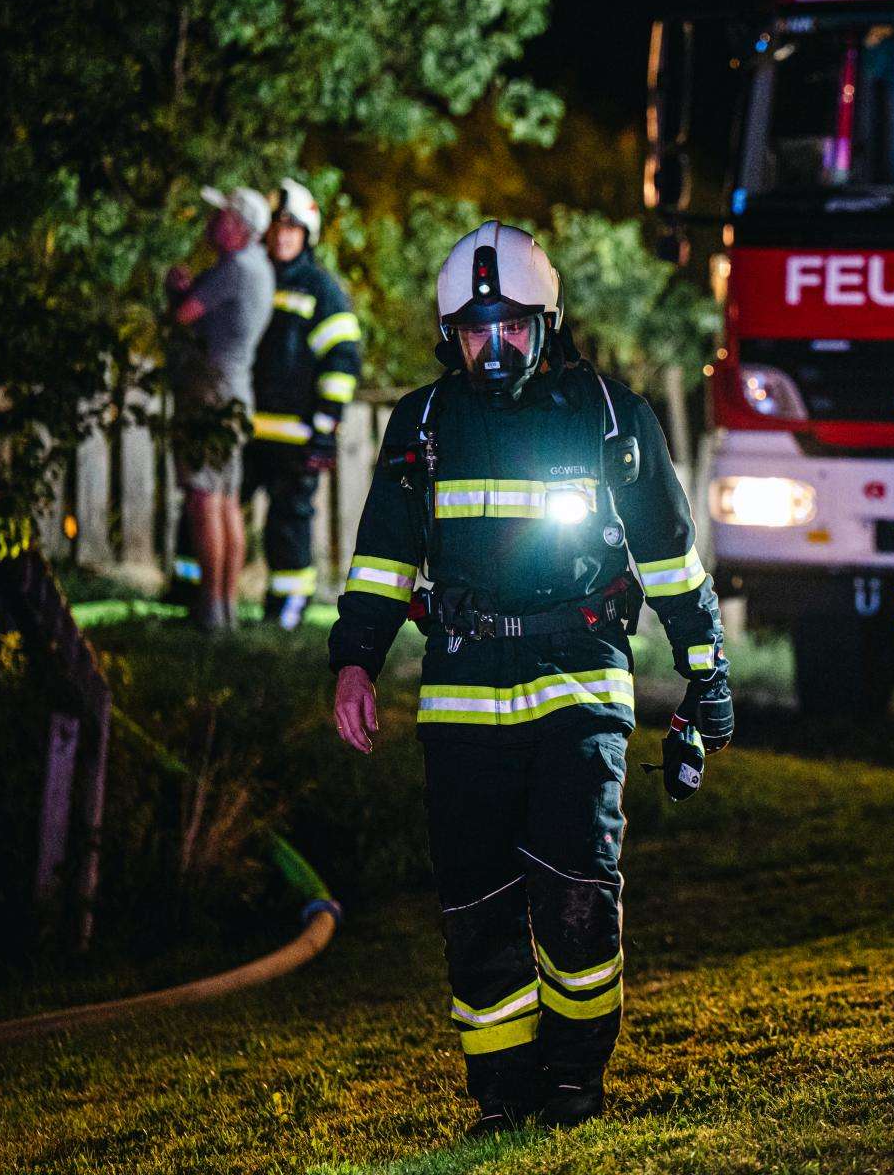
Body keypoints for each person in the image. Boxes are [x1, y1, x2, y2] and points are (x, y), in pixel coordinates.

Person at [327, 221, 734, 1137]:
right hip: (461, 692)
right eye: (477, 331)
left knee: (577, 887)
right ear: (452, 336)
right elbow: (382, 561)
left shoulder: (611, 419)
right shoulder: (421, 425)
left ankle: (575, 1078)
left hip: (580, 682)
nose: (496, 346)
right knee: (476, 903)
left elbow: (671, 561)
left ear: (547, 322)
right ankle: (503, 1094)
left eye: (513, 325)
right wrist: (354, 661)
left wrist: (706, 671)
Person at [238, 178, 363, 628]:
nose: (282, 235)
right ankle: (195, 593)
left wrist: (326, 426)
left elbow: (342, 359)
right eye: (276, 226)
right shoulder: (252, 275)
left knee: (288, 523)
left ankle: (288, 606)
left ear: (307, 234)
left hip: (296, 432)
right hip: (243, 426)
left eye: (292, 228)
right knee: (217, 507)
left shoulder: (320, 289)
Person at [165, 185, 275, 632]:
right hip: (236, 391)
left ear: (240, 228)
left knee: (204, 497)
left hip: (209, 392)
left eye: (222, 216)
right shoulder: (260, 268)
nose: (212, 223)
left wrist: (175, 294)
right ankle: (225, 607)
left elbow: (182, 316)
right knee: (226, 499)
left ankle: (209, 610)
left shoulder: (233, 268)